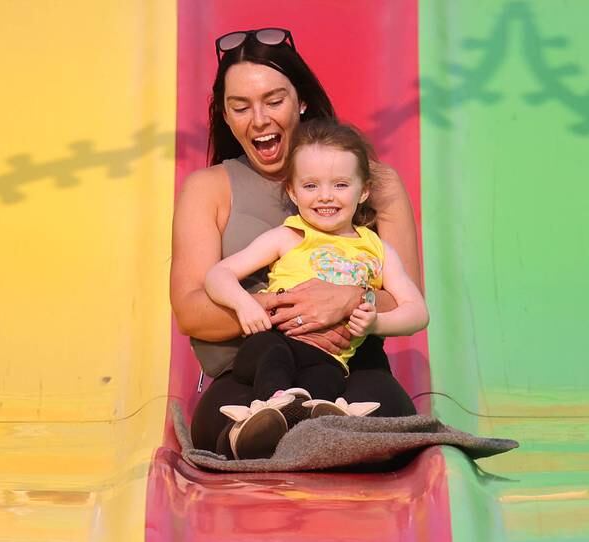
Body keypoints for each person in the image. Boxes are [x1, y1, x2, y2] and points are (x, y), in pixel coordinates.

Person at [171, 28, 422, 459]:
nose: (260, 119)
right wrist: (285, 307)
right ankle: (291, 432)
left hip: (348, 363)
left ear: (300, 100)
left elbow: (409, 299)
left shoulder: (376, 183)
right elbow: (192, 312)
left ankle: (320, 433)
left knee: (389, 415)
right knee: (219, 420)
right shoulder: (208, 188)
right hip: (253, 368)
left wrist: (348, 300)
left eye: (274, 100)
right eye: (241, 107)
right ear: (226, 117)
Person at [204, 120, 429, 458]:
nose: (325, 196)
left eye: (340, 184)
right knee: (273, 355)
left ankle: (311, 424)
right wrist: (244, 304)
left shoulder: (378, 250)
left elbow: (416, 311)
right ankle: (268, 411)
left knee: (328, 378)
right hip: (274, 341)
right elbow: (218, 275)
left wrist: (375, 323)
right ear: (293, 192)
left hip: (329, 356)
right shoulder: (288, 236)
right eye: (311, 186)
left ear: (363, 190)